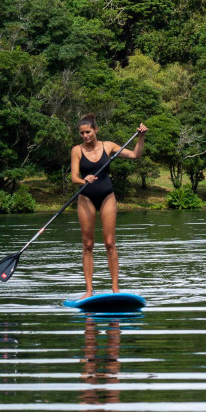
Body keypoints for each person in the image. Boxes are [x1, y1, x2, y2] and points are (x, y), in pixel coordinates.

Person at [70, 114, 147, 297]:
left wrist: (141, 137)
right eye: (82, 133)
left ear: (95, 130)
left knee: (110, 243)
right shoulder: (77, 150)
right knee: (88, 244)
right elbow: (74, 177)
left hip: (107, 196)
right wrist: (84, 180)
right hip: (86, 197)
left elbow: (136, 155)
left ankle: (115, 289)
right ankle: (89, 290)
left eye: (88, 132)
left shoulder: (109, 146)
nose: (85, 136)